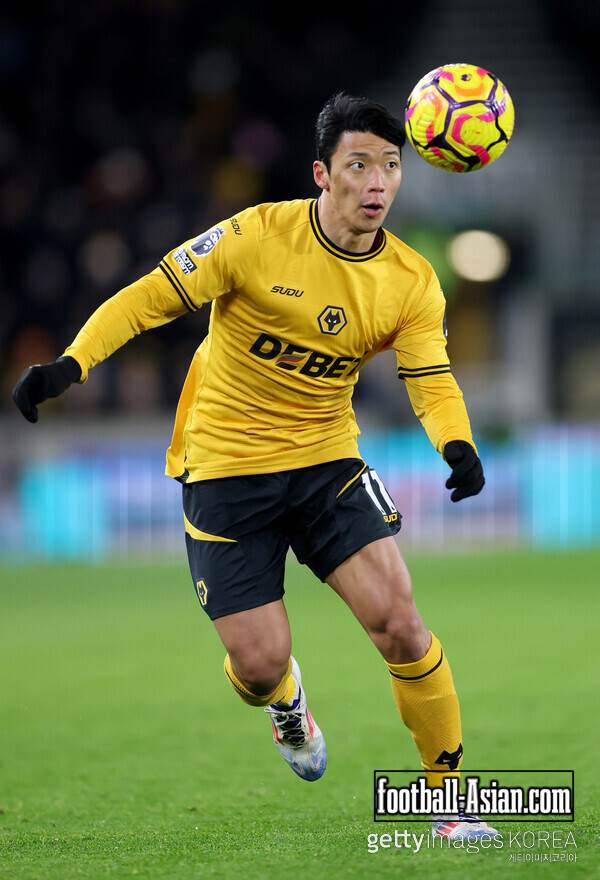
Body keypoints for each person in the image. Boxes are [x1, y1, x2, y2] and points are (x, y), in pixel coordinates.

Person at [13, 92, 496, 840]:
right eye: (358, 165)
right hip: (225, 466)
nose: (376, 183)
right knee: (260, 664)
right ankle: (285, 701)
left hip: (326, 461)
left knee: (402, 624)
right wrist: (70, 365)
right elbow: (149, 298)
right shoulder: (255, 236)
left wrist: (456, 443)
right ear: (321, 174)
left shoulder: (410, 279)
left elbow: (429, 378)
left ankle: (451, 805)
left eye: (390, 166)